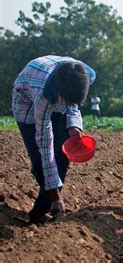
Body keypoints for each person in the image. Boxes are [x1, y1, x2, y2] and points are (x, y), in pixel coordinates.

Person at [12, 55, 95, 223]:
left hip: (56, 94)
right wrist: (56, 197)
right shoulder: (43, 95)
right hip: (26, 105)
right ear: (61, 93)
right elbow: (44, 144)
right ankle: (44, 208)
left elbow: (73, 104)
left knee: (63, 152)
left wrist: (74, 124)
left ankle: (42, 207)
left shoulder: (81, 74)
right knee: (40, 159)